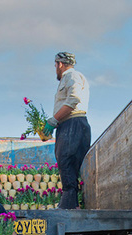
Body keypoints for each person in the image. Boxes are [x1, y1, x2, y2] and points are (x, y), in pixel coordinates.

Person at [42, 52, 91, 209]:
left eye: (55, 65)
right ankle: (72, 205)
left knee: (66, 162)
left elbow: (74, 99)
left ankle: (68, 206)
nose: (55, 69)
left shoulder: (71, 76)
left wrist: (54, 120)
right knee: (68, 165)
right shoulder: (72, 77)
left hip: (72, 124)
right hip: (72, 125)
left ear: (60, 64)